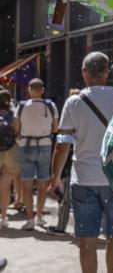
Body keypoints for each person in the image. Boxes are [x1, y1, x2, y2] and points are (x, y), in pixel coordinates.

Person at [50, 52, 113, 273]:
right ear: (106, 71)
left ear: (84, 73)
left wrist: (54, 179)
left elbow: (63, 144)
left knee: (87, 238)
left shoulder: (74, 102)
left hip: (83, 179)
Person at [16, 78, 58, 230]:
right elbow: (55, 128)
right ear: (43, 90)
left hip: (26, 146)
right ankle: (39, 216)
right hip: (45, 146)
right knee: (42, 185)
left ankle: (29, 219)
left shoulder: (21, 106)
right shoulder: (51, 105)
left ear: (29, 89)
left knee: (26, 186)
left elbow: (16, 127)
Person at [47, 88, 80, 235]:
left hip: (68, 167)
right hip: (82, 168)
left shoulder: (67, 123)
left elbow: (60, 149)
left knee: (65, 200)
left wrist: (55, 175)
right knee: (81, 202)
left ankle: (61, 227)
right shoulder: (86, 121)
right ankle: (83, 230)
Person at [0, 89, 19, 229]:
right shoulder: (13, 113)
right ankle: (4, 217)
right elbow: (17, 130)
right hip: (11, 150)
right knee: (5, 187)